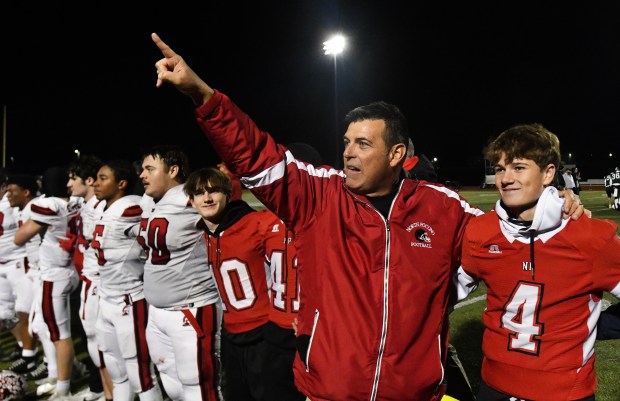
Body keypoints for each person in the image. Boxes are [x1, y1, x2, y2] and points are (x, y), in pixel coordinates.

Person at [150, 33, 585, 400]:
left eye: (362, 144)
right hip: (330, 391)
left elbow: (505, 237)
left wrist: (555, 206)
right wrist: (200, 94)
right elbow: (255, 153)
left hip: (414, 394)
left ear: (396, 154)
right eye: (346, 141)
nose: (347, 152)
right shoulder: (318, 195)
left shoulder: (442, 207)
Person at [455, 123, 620, 401]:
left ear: (548, 173)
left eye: (518, 167)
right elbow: (446, 292)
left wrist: (597, 326)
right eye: (499, 169)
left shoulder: (590, 237)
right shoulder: (480, 232)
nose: (506, 178)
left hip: (562, 394)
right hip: (494, 387)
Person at [185, 166, 283, 401]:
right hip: (230, 335)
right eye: (199, 193)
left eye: (214, 191)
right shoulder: (200, 234)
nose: (207, 198)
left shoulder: (257, 223)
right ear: (191, 201)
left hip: (264, 335)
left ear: (228, 194)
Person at [136, 145, 222, 401]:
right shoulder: (149, 201)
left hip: (191, 307)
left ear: (173, 170)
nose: (142, 175)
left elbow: (227, 217)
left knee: (199, 387)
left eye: (150, 169)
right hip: (157, 311)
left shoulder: (190, 196)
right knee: (172, 384)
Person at [91, 159, 163, 401]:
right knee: (116, 368)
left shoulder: (130, 207)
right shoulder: (107, 208)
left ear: (121, 183)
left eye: (103, 178)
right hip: (106, 296)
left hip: (128, 299)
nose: (96, 183)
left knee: (139, 373)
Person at [14, 166, 81, 400]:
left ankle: (63, 387)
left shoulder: (52, 205)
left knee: (58, 333)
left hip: (55, 274)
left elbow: (19, 237)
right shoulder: (77, 202)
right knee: (46, 327)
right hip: (69, 269)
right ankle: (67, 371)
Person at [66, 155, 113, 401]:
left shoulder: (100, 206)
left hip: (99, 282)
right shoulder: (87, 204)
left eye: (74, 178)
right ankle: (101, 390)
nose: (69, 184)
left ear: (90, 179)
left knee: (102, 343)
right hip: (88, 280)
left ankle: (109, 392)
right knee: (92, 341)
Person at [0, 172, 38, 374]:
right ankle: (26, 350)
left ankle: (32, 356)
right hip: (1, 265)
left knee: (27, 312)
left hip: (19, 262)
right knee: (5, 313)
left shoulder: (14, 203)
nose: (8, 194)